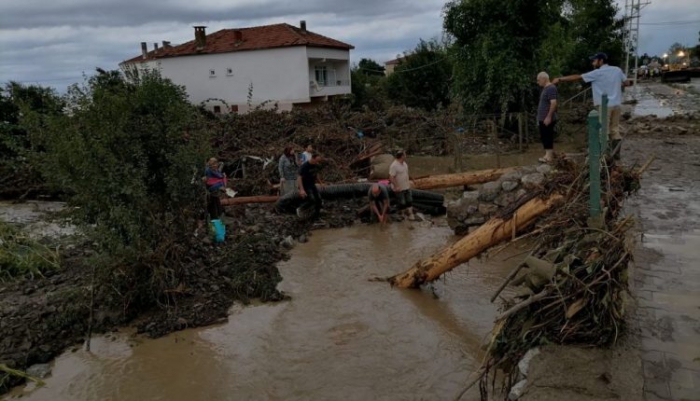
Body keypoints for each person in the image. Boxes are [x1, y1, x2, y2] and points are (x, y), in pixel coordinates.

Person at [553, 52, 631, 160]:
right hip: (617, 105)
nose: (593, 62)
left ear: (601, 61)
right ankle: (616, 154)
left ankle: (605, 155)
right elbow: (627, 83)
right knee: (615, 129)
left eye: (594, 60)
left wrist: (560, 79)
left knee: (604, 130)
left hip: (605, 106)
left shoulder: (597, 73)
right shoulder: (617, 70)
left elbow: (578, 77)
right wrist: (614, 84)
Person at [536, 72, 558, 163]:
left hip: (547, 118)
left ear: (544, 78)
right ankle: (547, 154)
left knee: (548, 135)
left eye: (538, 80)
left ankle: (549, 157)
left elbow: (553, 103)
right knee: (544, 136)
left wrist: (548, 117)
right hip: (542, 118)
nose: (538, 82)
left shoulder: (551, 88)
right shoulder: (545, 89)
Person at [389, 151, 415, 220]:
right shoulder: (394, 165)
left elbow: (406, 173)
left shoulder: (404, 164)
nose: (406, 156)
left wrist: (411, 179)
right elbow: (391, 177)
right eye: (405, 155)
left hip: (406, 186)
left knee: (409, 200)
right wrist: (396, 186)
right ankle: (402, 215)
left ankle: (410, 214)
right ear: (402, 156)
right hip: (399, 187)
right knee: (402, 202)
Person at [297, 152, 323, 220]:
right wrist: (301, 189)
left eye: (318, 161)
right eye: (317, 161)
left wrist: (321, 183)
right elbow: (299, 178)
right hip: (305, 185)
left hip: (312, 184)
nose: (317, 162)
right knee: (312, 200)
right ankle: (300, 209)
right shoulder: (305, 166)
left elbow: (316, 174)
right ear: (312, 158)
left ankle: (316, 215)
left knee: (319, 200)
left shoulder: (315, 165)